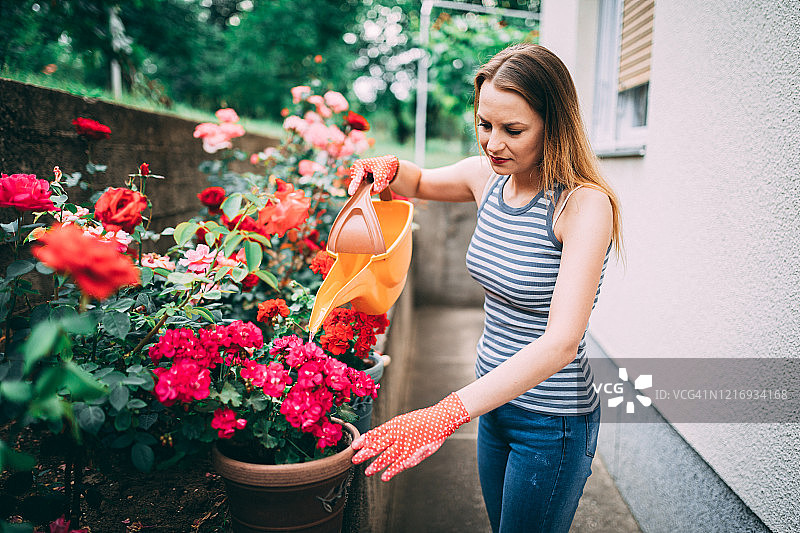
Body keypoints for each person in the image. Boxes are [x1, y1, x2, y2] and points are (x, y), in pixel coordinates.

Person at [348, 43, 623, 533]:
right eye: (484, 124)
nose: (493, 144)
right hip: (492, 405)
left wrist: (445, 413)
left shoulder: (583, 206)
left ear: (554, 126)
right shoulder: (488, 179)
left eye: (513, 130)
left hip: (551, 422)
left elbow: (560, 343)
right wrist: (384, 169)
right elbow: (419, 180)